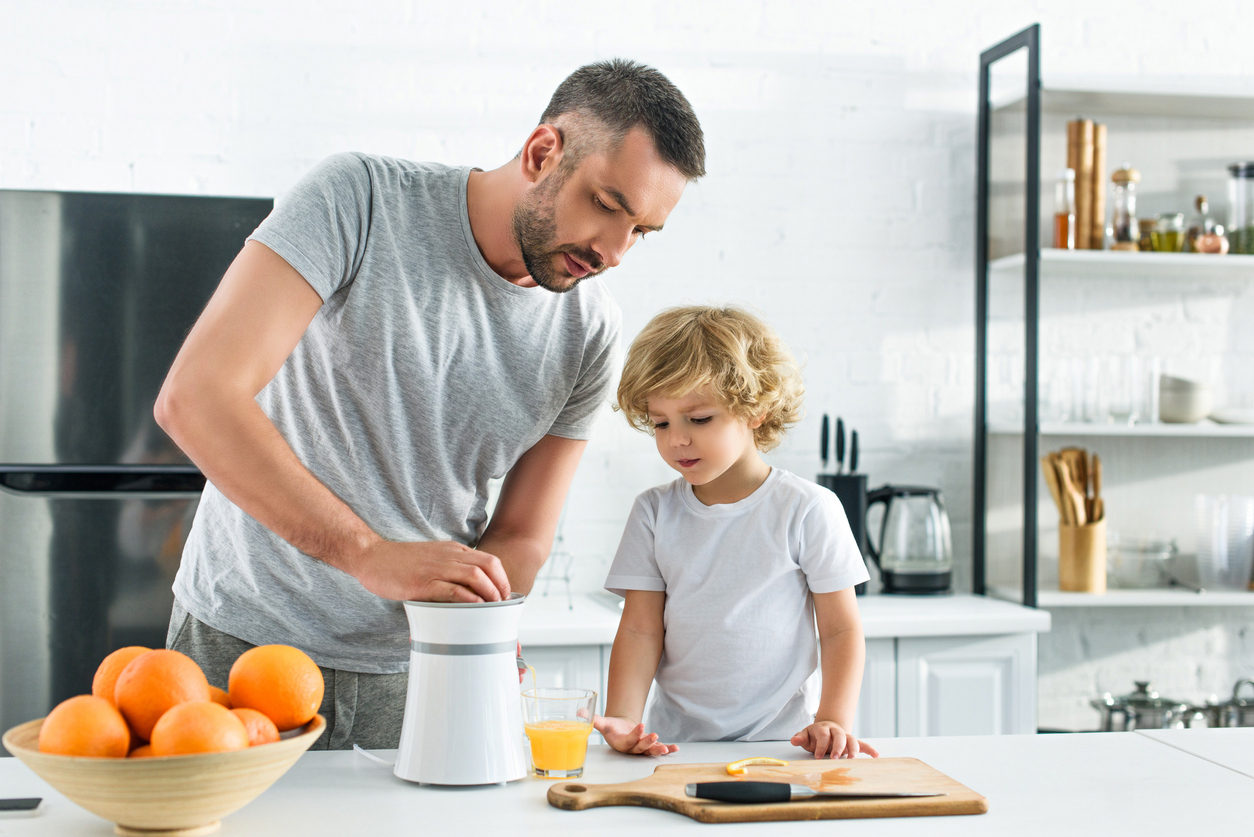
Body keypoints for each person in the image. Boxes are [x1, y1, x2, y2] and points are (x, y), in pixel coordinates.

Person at [154, 60, 705, 749]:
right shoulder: (359, 198)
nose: (616, 251)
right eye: (607, 205)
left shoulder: (589, 328)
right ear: (543, 153)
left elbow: (524, 533)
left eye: (642, 231)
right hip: (248, 646)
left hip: (425, 674)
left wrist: (485, 623)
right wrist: (367, 552)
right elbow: (197, 397)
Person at [592, 306, 880, 760]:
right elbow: (641, 630)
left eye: (699, 419)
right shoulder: (653, 511)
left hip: (783, 745)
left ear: (757, 410)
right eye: (661, 422)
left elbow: (841, 629)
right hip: (675, 746)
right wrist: (624, 720)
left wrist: (833, 719)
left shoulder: (807, 508)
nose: (676, 440)